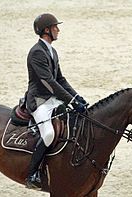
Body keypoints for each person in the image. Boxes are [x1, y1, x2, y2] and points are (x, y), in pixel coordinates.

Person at [25, 13, 88, 189]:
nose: (58, 30)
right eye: (55, 27)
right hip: (38, 100)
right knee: (48, 134)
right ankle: (33, 174)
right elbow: (48, 82)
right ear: (46, 30)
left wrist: (77, 98)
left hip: (51, 99)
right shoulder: (37, 52)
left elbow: (60, 79)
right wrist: (70, 100)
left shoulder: (52, 51)